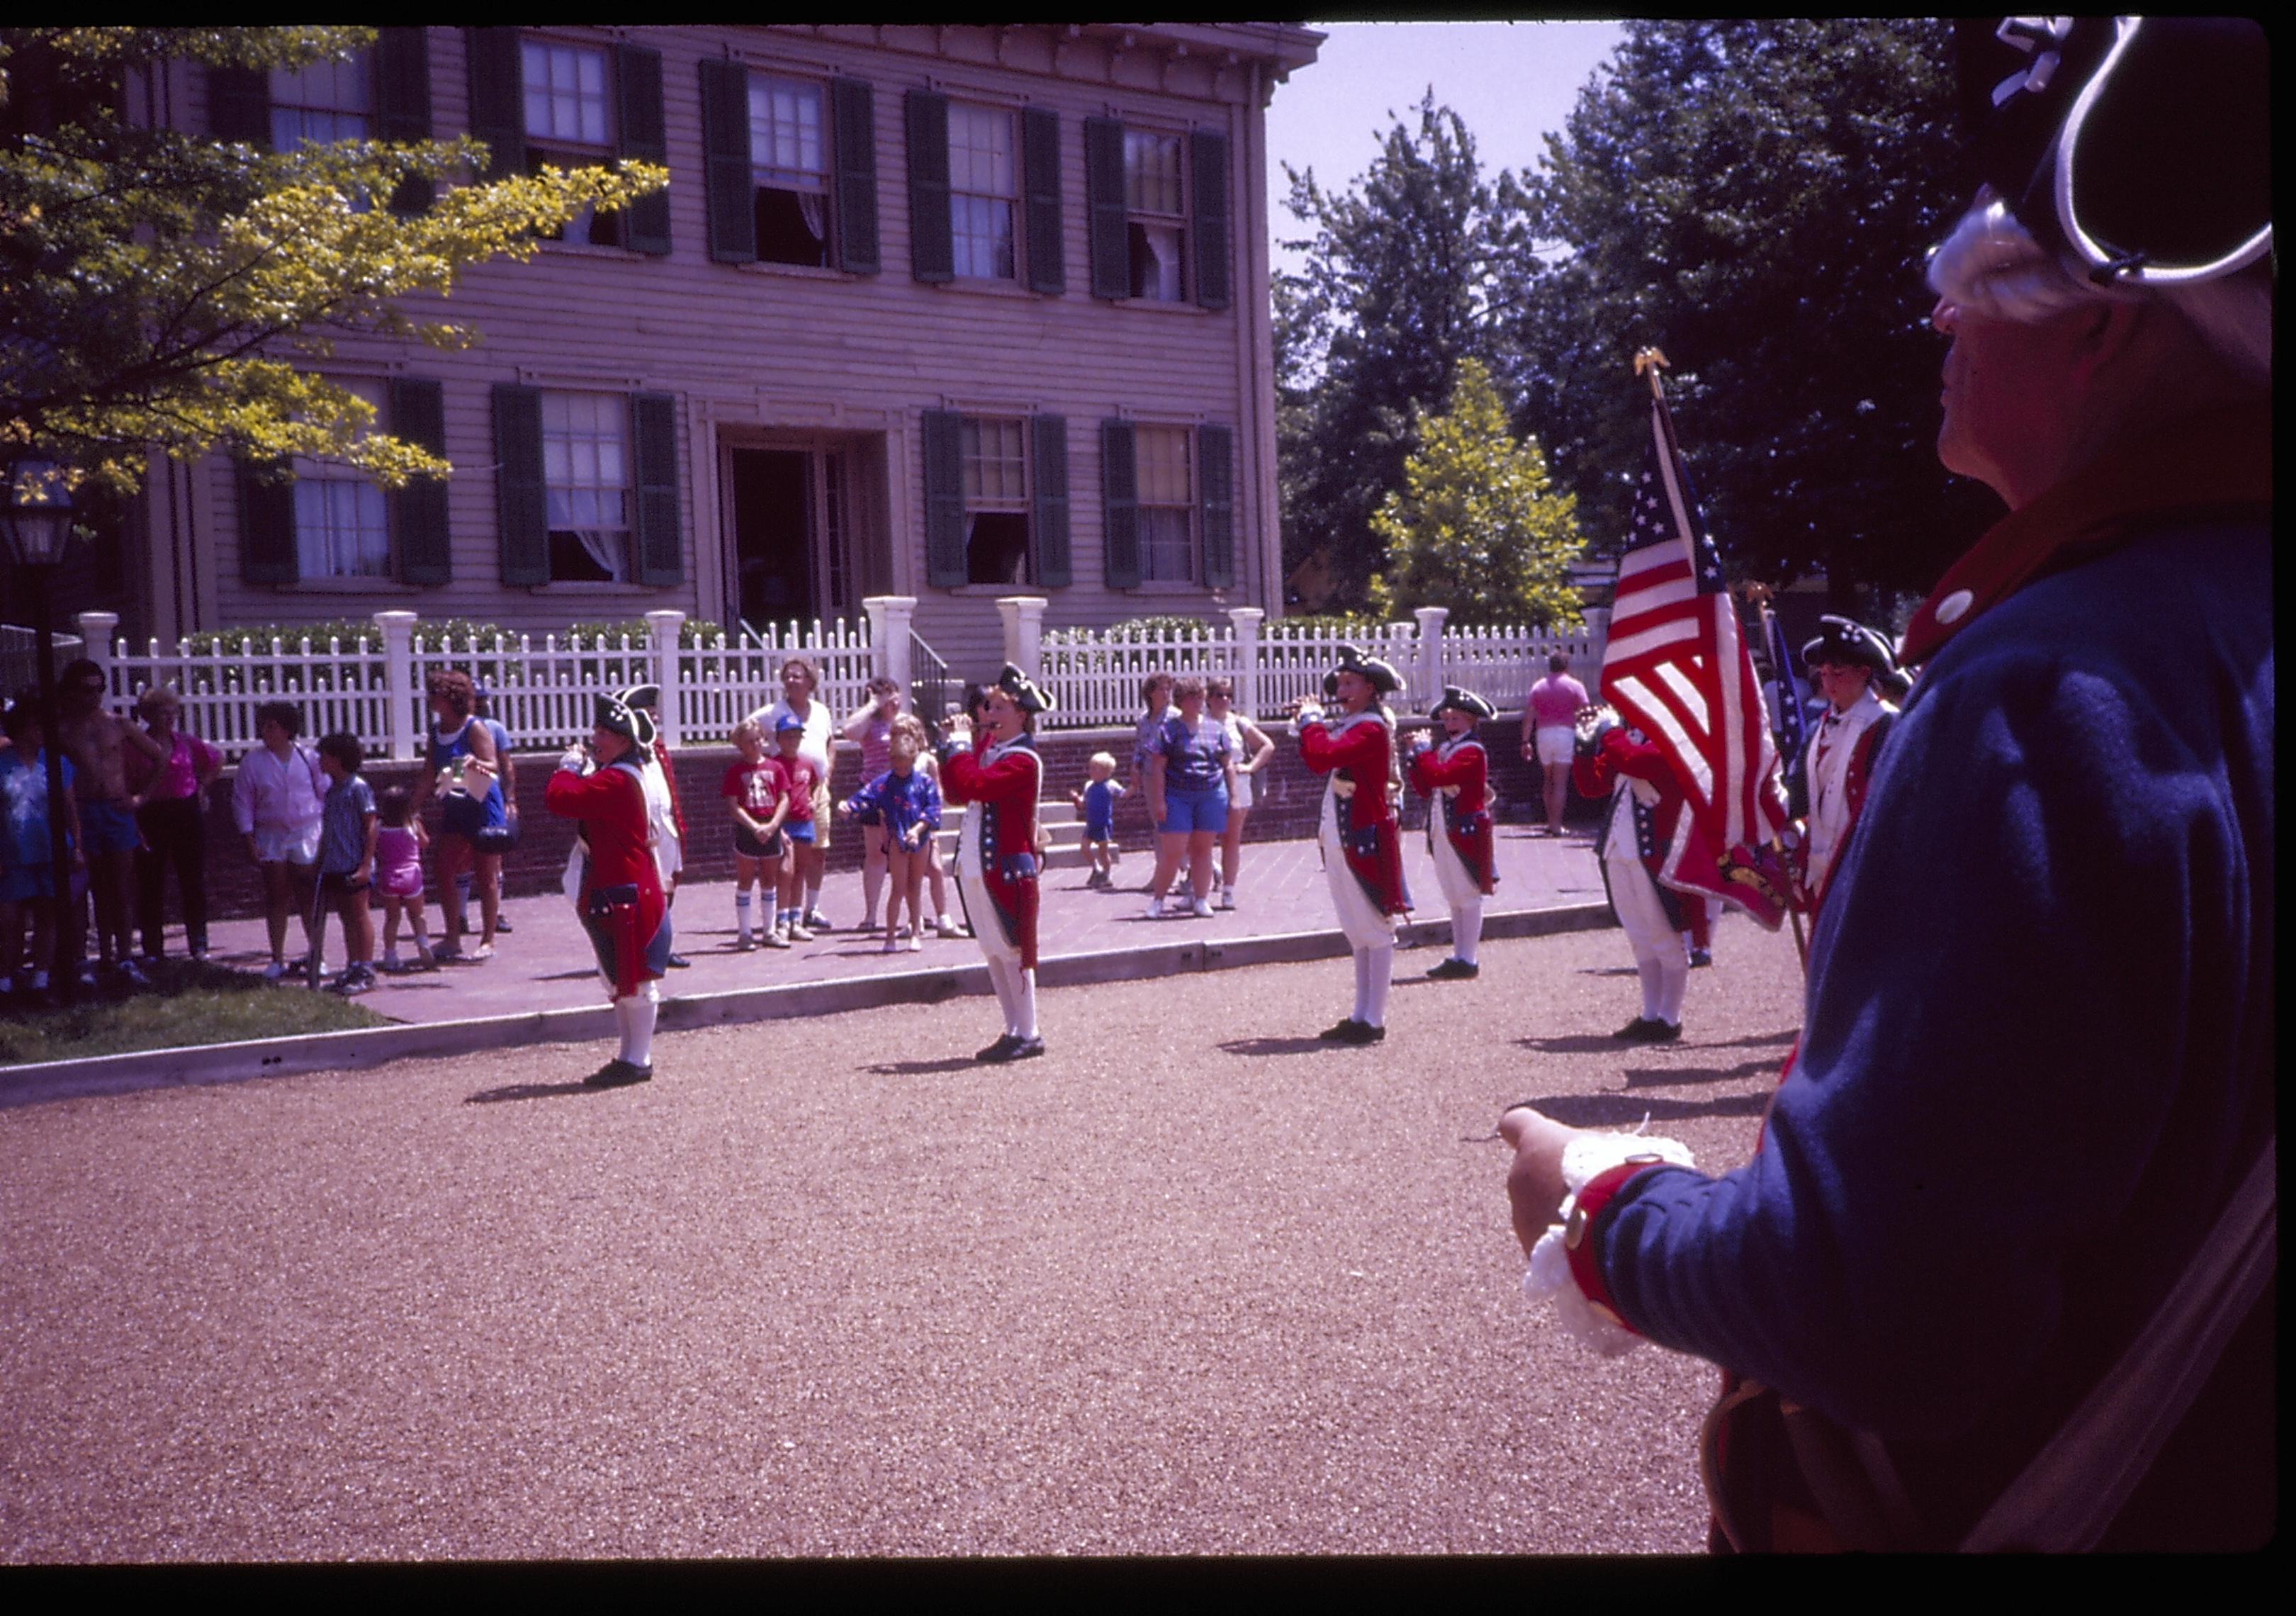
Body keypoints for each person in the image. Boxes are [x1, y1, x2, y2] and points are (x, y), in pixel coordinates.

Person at [1500, 17, 2271, 1552]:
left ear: (2106, 326)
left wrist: (1602, 1212)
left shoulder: (2057, 695)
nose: (1936, 330)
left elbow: (1880, 1307)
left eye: (1966, 295)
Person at [546, 691, 671, 1087]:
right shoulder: (620, 772)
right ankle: (629, 1056)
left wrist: (566, 767)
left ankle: (639, 1058)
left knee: (635, 978)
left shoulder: (618, 778)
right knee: (619, 978)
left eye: (605, 732)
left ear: (624, 741)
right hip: (622, 884)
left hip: (627, 888)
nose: (595, 738)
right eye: (596, 730)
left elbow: (560, 798)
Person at [1292, 646, 1409, 1044]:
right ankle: (1361, 1014)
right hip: (1344, 836)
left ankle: (1374, 1019)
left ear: (1370, 689)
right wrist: (1310, 727)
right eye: (1339, 683)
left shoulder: (1371, 726)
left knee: (1374, 926)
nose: (1341, 690)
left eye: (1349, 683)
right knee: (1356, 929)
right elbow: (1316, 757)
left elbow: (1323, 755)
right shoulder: (1351, 724)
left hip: (1364, 835)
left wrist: (1311, 723)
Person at [940, 664, 1052, 1062]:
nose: (989, 715)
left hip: (1006, 864)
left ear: (1021, 713)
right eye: (988, 707)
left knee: (1014, 950)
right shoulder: (991, 751)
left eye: (999, 708)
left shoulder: (1023, 759)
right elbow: (956, 791)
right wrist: (952, 749)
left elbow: (977, 785)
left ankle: (1030, 1030)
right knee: (992, 949)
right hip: (977, 863)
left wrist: (958, 748)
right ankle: (1013, 1030)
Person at [1570, 703, 1691, 1043]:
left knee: (1663, 932)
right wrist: (1583, 744)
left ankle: (1671, 1018)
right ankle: (1650, 1014)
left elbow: (1636, 762)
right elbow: (1592, 785)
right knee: (1639, 935)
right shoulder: (1627, 738)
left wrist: (1608, 732)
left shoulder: (1669, 735)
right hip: (1618, 848)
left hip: (1653, 850)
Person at [55, 658, 167, 987]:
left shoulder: (118, 724)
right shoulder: (62, 729)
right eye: (87, 689)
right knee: (85, 887)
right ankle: (85, 958)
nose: (94, 696)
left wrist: (140, 797)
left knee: (120, 886)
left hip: (116, 811)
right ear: (73, 691)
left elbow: (160, 756)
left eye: (99, 688)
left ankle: (124, 957)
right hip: (83, 812)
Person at [1792, 615, 1903, 922]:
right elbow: (1801, 786)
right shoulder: (1819, 727)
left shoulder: (1886, 724)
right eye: (1824, 674)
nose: (1828, 683)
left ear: (1864, 673)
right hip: (1821, 863)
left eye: (1838, 674)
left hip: (1867, 864)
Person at [408, 670, 502, 963]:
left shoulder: (474, 728)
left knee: (485, 872)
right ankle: (452, 938)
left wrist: (478, 762)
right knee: (444, 868)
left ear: (450, 698)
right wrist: (412, 808)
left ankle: (487, 939)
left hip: (482, 803)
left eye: (435, 694)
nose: (430, 700)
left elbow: (494, 765)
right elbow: (428, 774)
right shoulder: (436, 734)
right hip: (456, 805)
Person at [232, 698, 327, 982]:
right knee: (276, 896)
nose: (266, 732)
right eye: (263, 727)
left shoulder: (308, 757)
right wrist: (249, 839)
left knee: (309, 895)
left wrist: (323, 830)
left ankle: (317, 955)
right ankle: (276, 958)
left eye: (272, 726)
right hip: (270, 836)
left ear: (287, 729)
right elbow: (243, 802)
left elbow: (323, 792)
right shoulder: (253, 762)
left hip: (307, 833)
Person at [125, 685, 220, 963]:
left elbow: (216, 760)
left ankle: (199, 943)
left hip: (185, 812)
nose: (170, 718)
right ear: (148, 715)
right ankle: (153, 947)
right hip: (152, 813)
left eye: (173, 712)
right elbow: (128, 782)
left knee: (192, 879)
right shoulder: (136, 746)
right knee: (150, 881)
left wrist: (202, 788)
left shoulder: (187, 743)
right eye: (163, 712)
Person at [1407, 685, 1497, 981]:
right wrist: (1414, 759)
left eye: (1457, 718)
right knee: (1454, 895)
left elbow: (1440, 776)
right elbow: (1426, 786)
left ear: (1472, 721)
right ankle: (1459, 954)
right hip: (1444, 829)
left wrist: (1423, 754)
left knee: (1468, 895)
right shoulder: (1446, 749)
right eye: (1446, 719)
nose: (1449, 724)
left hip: (1465, 829)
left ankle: (1468, 958)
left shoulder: (1472, 750)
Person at [840, 713, 942, 954]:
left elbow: (934, 808)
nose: (902, 771)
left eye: (906, 766)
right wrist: (848, 807)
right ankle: (889, 936)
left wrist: (919, 830)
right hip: (897, 838)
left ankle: (916, 931)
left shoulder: (924, 782)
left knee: (915, 885)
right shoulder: (886, 782)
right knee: (898, 887)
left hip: (919, 837)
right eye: (897, 767)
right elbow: (865, 797)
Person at [0, 700, 81, 1003]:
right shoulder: (2, 762)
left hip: (51, 849)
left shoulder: (57, 762)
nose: (43, 731)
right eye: (36, 725)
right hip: (13, 852)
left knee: (49, 915)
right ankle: (5, 981)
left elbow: (70, 808)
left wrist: (78, 846)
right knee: (9, 921)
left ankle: (41, 980)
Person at [750, 656, 835, 932]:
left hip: (817, 791)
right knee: (786, 860)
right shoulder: (773, 711)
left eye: (798, 676)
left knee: (816, 852)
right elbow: (745, 733)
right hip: (787, 795)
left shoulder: (821, 711)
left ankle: (810, 909)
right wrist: (763, 765)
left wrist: (828, 774)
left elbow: (831, 742)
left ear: (810, 681)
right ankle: (781, 913)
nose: (791, 681)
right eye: (788, 676)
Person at [1142, 676, 1235, 921]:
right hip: (1178, 796)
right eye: (1191, 698)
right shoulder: (1168, 730)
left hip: (1211, 794)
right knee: (1173, 851)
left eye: (1200, 697)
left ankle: (1201, 899)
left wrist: (1232, 796)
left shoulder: (1216, 728)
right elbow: (1158, 767)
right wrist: (1160, 801)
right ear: (1181, 701)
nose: (1197, 702)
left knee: (1203, 850)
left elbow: (1228, 765)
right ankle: (1158, 900)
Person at [622, 685, 690, 968]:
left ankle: (661, 945)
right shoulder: (627, 752)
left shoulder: (658, 748)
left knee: (668, 887)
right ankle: (639, 948)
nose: (656, 720)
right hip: (645, 829)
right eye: (650, 714)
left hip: (666, 826)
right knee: (646, 890)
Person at [310, 732, 378, 995]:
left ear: (338, 758)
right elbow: (328, 830)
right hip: (334, 864)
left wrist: (365, 865)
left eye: (324, 756)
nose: (320, 761)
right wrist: (319, 861)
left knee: (359, 914)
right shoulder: (331, 791)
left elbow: (371, 826)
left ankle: (366, 968)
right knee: (346, 917)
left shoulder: (357, 787)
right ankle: (353, 964)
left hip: (354, 862)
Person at [719, 717, 792, 951]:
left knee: (770, 879)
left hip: (770, 826)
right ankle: (745, 933)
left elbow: (784, 799)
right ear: (740, 745)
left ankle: (769, 931)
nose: (756, 745)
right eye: (749, 741)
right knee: (745, 879)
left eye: (759, 739)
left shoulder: (775, 768)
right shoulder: (736, 771)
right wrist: (754, 827)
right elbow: (733, 805)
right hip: (749, 828)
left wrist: (772, 826)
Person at [1206, 678, 1275, 910]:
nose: (1224, 700)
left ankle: (1228, 890)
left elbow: (1267, 746)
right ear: (1208, 699)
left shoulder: (1238, 723)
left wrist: (1250, 767)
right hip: (1208, 784)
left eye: (1227, 695)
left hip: (1238, 783)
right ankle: (1198, 886)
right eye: (1218, 695)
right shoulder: (1201, 722)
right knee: (1200, 838)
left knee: (1231, 839)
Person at [844, 675, 901, 933]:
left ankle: (913, 913)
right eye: (887, 695)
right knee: (876, 854)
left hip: (903, 794)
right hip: (874, 793)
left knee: (906, 853)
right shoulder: (870, 724)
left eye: (895, 694)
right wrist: (872, 705)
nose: (893, 700)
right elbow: (848, 731)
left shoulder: (905, 723)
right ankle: (871, 914)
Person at [466, 683, 519, 936]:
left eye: (483, 699)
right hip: (466, 793)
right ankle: (461, 915)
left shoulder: (495, 728)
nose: (482, 704)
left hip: (490, 794)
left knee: (493, 856)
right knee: (461, 857)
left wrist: (510, 798)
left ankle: (496, 912)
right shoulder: (461, 728)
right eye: (478, 699)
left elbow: (506, 765)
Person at [1520, 652, 1589, 837]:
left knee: (1548, 780)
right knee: (1560, 782)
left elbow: (1529, 716)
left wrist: (1525, 741)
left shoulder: (1538, 686)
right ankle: (1557, 825)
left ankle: (1550, 822)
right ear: (1566, 666)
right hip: (1565, 733)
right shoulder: (1575, 685)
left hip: (1543, 733)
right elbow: (1585, 711)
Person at [769, 713, 823, 944]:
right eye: (787, 737)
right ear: (779, 739)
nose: (792, 741)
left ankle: (796, 920)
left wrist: (814, 799)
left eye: (796, 736)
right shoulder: (774, 765)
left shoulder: (807, 763)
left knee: (801, 871)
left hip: (805, 822)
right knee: (784, 873)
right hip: (785, 824)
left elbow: (817, 783)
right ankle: (780, 921)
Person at [371, 785, 437, 973]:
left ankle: (390, 955)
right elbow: (425, 842)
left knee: (392, 918)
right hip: (412, 875)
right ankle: (423, 943)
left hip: (389, 875)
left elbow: (372, 846)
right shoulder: (413, 825)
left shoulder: (379, 827)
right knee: (417, 915)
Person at [1128, 671, 1179, 902]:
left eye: (1169, 689)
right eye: (1161, 689)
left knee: (1176, 826)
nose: (1166, 693)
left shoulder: (1174, 718)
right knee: (1159, 826)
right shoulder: (1143, 720)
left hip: (1171, 777)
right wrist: (1135, 768)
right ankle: (1162, 874)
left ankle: (1205, 869)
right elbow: (1140, 747)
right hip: (1150, 776)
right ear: (1150, 693)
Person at [1069, 751, 1124, 889]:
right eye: (1090, 768)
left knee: (1103, 852)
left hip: (1103, 824)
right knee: (1084, 848)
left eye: (1095, 768)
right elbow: (1082, 804)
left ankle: (1107, 874)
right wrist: (1076, 798)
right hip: (1091, 823)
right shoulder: (1089, 785)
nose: (1091, 771)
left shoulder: (1111, 784)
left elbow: (1123, 794)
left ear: (1106, 771)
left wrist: (1134, 788)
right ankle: (1096, 868)